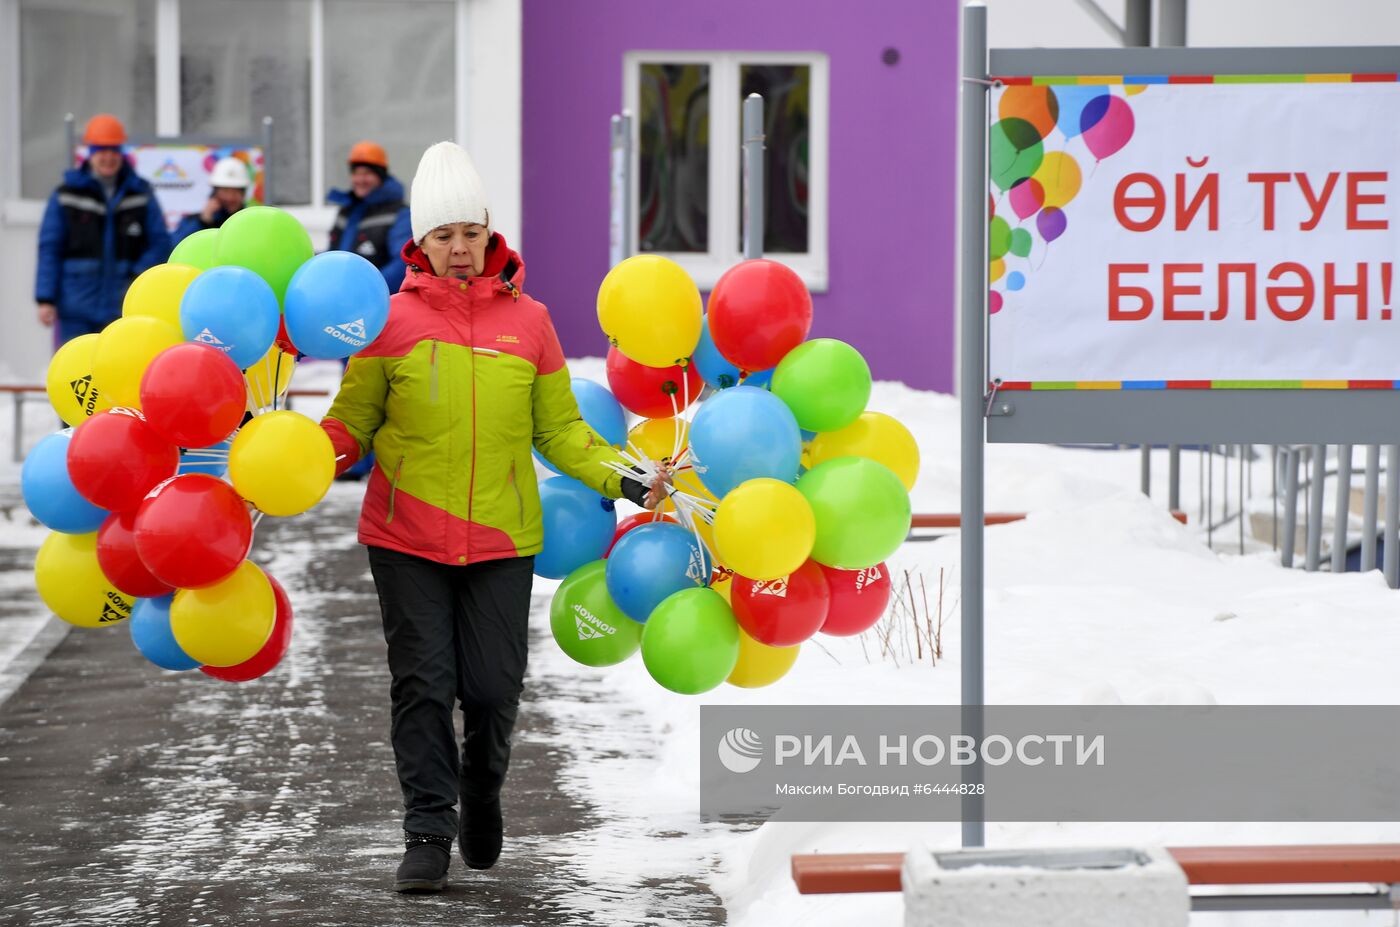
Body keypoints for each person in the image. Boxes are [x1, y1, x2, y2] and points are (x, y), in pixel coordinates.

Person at [319, 141, 669, 894]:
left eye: (470, 233)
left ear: (488, 232)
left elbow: (562, 434)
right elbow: (351, 423)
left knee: (490, 686)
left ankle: (481, 790)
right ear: (420, 241)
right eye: (443, 235)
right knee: (423, 683)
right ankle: (426, 829)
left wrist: (638, 479)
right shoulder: (387, 322)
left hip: (503, 536)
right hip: (406, 534)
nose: (459, 249)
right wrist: (298, 454)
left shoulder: (531, 323)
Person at [35, 113, 171, 346]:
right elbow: (50, 248)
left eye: (113, 150)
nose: (108, 157)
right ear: (90, 153)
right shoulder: (66, 195)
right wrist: (45, 298)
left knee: (118, 373)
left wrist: (136, 275)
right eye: (101, 150)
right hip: (75, 309)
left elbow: (160, 243)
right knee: (76, 374)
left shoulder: (140, 194)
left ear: (121, 152)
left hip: (123, 308)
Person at [327, 141, 413, 292]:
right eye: (356, 173)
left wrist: (367, 290)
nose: (360, 180)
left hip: (378, 304)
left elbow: (402, 263)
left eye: (367, 173)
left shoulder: (400, 214)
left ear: (380, 176)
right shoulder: (346, 211)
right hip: (340, 299)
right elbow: (331, 256)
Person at [171, 156, 251, 245]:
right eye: (225, 191)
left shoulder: (251, 222)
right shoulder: (191, 221)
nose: (230, 197)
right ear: (214, 192)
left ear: (243, 194)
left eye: (236, 191)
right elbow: (176, 248)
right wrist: (204, 221)